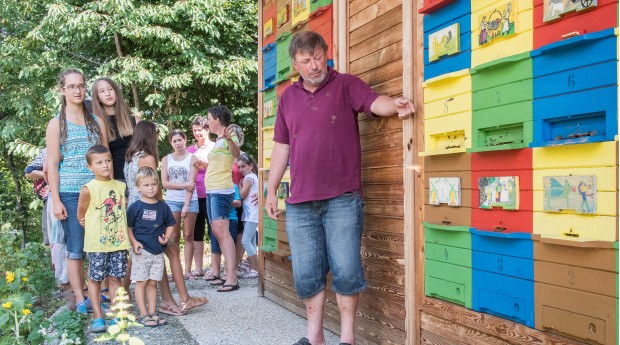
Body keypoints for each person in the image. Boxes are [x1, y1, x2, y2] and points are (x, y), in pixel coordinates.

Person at [264, 31, 415, 345]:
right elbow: (281, 147)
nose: (315, 65)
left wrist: (395, 103)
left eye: (318, 57)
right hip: (300, 202)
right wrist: (270, 190)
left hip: (342, 199)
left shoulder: (346, 84)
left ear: (325, 53)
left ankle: (348, 339)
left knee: (347, 271)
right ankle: (315, 337)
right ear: (296, 64)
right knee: (307, 274)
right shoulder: (287, 99)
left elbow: (375, 101)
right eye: (307, 61)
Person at [46, 68, 108, 314]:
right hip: (70, 194)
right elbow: (51, 164)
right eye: (72, 86)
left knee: (99, 245)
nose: (78, 90)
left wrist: (110, 190)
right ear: (63, 90)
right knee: (75, 247)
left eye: (81, 86)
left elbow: (105, 158)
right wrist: (56, 200)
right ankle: (81, 298)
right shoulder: (56, 124)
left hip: (97, 191)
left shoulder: (97, 121)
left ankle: (99, 293)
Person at [76, 145, 129, 333]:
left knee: (115, 278)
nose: (105, 165)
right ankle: (98, 317)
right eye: (99, 162)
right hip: (97, 244)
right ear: (90, 167)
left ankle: (116, 316)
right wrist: (93, 229)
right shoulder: (88, 189)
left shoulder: (121, 186)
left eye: (107, 160)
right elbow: (81, 216)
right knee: (95, 279)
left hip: (118, 242)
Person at [127, 167, 175, 327]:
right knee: (141, 282)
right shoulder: (135, 207)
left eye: (154, 184)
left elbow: (170, 224)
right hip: (141, 252)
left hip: (157, 252)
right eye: (146, 185)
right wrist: (134, 242)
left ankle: (153, 312)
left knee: (153, 283)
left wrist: (166, 238)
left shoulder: (163, 206)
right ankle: (143, 313)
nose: (150, 188)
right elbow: (128, 227)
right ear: (138, 187)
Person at [204, 105, 240, 292]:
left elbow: (236, 154)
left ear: (217, 119)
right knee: (218, 232)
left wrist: (229, 139)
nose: (207, 122)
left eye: (209, 118)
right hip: (212, 190)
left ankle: (232, 277)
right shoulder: (218, 141)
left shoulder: (228, 136)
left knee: (223, 232)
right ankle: (226, 273)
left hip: (221, 190)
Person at [161, 129, 199, 279]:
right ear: (171, 143)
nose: (178, 143)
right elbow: (165, 183)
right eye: (174, 141)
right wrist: (184, 186)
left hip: (191, 201)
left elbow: (192, 184)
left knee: (188, 235)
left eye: (180, 140)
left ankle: (188, 270)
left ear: (185, 140)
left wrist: (186, 205)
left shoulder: (192, 158)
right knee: (174, 236)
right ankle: (176, 270)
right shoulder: (166, 159)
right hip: (172, 200)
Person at [187, 116, 215, 278]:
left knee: (214, 231)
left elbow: (225, 166)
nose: (197, 133)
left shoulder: (215, 147)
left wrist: (206, 164)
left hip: (212, 192)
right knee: (196, 233)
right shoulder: (190, 150)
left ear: (207, 129)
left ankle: (214, 266)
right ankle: (198, 268)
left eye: (200, 130)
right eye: (194, 130)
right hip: (194, 195)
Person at [236, 153, 259, 279]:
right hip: (250, 213)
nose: (241, 169)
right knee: (251, 241)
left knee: (245, 240)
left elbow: (243, 195)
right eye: (239, 167)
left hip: (251, 214)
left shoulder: (249, 178)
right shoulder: (253, 176)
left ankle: (255, 269)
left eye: (243, 166)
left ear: (250, 166)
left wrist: (239, 186)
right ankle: (254, 267)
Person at [24, 148, 50, 245]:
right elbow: (28, 171)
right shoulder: (47, 151)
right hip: (50, 199)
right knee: (51, 239)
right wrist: (48, 175)